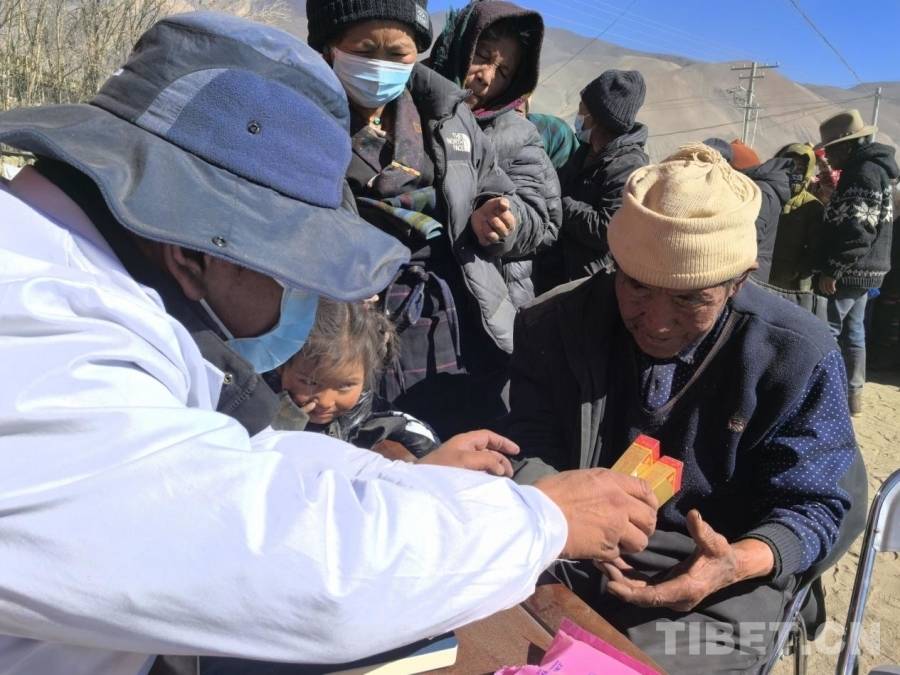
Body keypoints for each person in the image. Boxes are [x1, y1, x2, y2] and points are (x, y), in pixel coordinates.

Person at [0, 12, 661, 674]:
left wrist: (403, 482)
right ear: (196, 247)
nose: (302, 296)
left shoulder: (75, 277)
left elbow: (237, 460)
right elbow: (303, 571)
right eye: (289, 268)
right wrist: (539, 521)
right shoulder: (52, 355)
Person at [503, 144, 857, 673]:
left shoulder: (798, 353)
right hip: (568, 547)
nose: (658, 321)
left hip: (723, 585)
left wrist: (733, 563)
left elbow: (817, 507)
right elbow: (529, 447)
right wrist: (565, 518)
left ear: (739, 282)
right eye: (637, 287)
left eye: (690, 299)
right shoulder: (554, 323)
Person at [306, 0, 547, 437]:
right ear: (330, 48)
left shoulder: (444, 114)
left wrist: (489, 212)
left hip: (448, 318)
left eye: (396, 54)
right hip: (346, 324)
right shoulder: (299, 116)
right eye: (365, 49)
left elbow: (497, 186)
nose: (381, 66)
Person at [427, 0, 562, 309]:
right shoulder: (410, 103)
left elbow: (542, 219)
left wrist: (504, 219)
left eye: (502, 71)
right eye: (483, 56)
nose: (486, 78)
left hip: (481, 304)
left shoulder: (520, 135)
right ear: (462, 41)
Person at [275, 298, 441, 460]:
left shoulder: (391, 427)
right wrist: (279, 425)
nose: (326, 402)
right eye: (310, 382)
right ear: (280, 365)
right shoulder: (255, 412)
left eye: (345, 386)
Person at [816, 109, 898, 415]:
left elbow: (858, 229)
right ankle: (853, 394)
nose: (829, 157)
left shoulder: (861, 173)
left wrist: (834, 268)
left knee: (829, 331)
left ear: (847, 147)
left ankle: (828, 396)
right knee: (854, 332)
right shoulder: (878, 171)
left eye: (831, 150)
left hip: (851, 270)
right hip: (869, 270)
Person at [553, 69, 649, 285]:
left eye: (581, 109)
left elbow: (608, 228)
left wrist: (560, 204)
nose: (577, 115)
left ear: (597, 118)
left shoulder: (628, 165)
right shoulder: (584, 152)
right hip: (558, 269)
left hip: (587, 283)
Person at [728, 139, 792, 284]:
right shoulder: (764, 189)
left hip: (748, 274)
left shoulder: (760, 192)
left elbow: (751, 235)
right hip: (752, 270)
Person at [769, 143, 825, 291]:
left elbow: (816, 248)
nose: (794, 172)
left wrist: (799, 271)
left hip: (791, 283)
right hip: (762, 273)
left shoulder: (813, 207)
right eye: (790, 166)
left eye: (800, 168)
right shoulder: (766, 195)